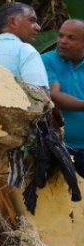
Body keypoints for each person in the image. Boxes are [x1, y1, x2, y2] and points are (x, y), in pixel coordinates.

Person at [42, 19, 84, 177]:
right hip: (62, 149)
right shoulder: (47, 60)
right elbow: (54, 95)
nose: (62, 41)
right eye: (61, 36)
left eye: (71, 38)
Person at [0, 2, 49, 88]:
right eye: (32, 20)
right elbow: (40, 95)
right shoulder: (25, 51)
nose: (38, 27)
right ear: (13, 22)